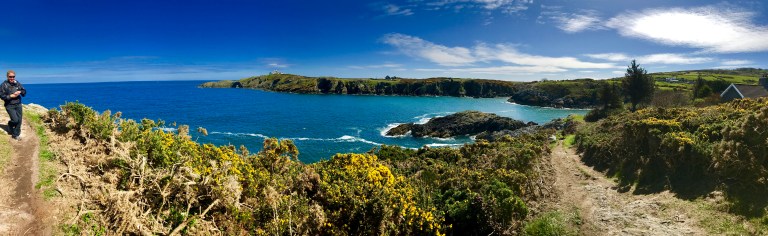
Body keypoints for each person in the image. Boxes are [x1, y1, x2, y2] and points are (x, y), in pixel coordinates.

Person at [0, 70, 26, 140]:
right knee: (15, 120)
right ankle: (10, 125)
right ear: (7, 76)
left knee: (19, 120)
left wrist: (20, 92)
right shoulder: (3, 85)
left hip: (18, 104)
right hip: (9, 105)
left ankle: (15, 134)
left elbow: (24, 91)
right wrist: (11, 96)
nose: (12, 78)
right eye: (10, 77)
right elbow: (2, 96)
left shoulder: (17, 83)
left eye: (13, 77)